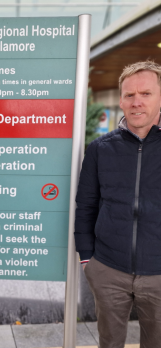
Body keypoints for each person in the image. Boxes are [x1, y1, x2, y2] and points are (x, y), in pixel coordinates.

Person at [75, 60, 161, 348]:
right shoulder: (100, 149)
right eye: (129, 95)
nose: (137, 102)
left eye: (146, 93)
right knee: (109, 342)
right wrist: (88, 260)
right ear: (121, 101)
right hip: (109, 270)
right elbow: (85, 206)